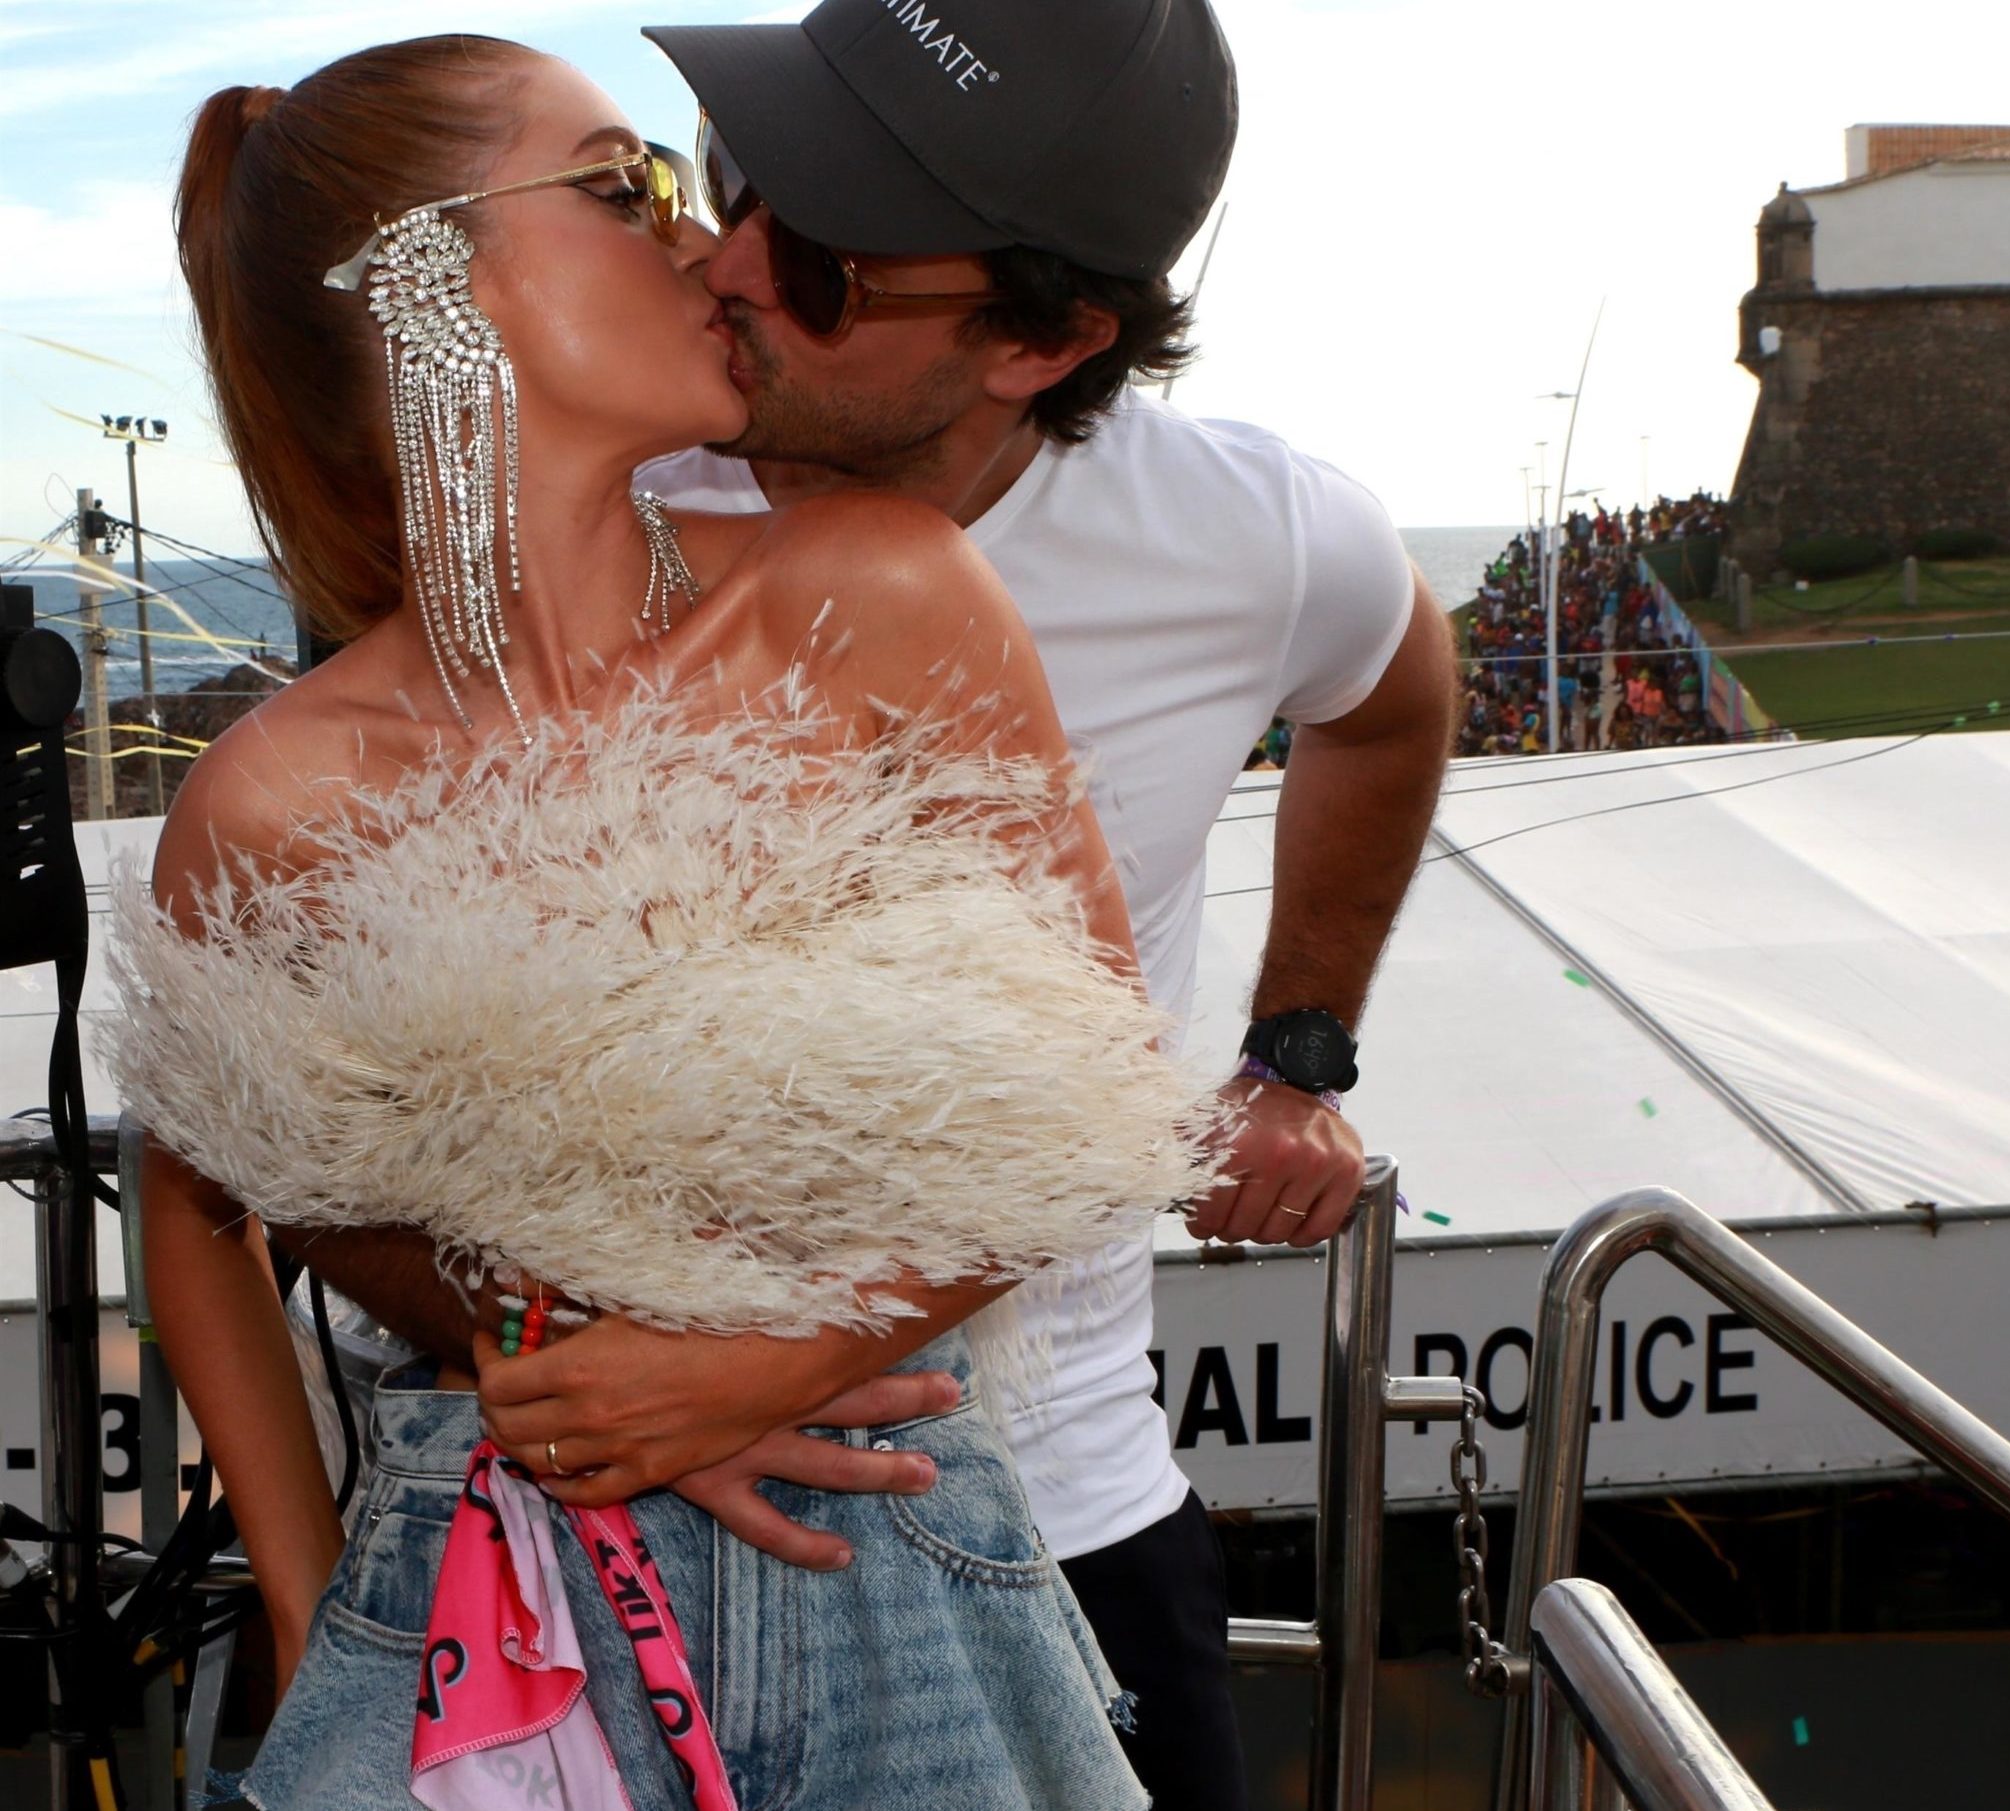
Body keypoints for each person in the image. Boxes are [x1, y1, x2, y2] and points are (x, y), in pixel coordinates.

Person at [264, 4, 1458, 1809]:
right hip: (572, 1549)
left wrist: (1295, 1049)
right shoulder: (572, 483)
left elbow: (1394, 688)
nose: (724, 259)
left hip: (1046, 1498)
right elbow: (291, 1129)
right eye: (741, 176)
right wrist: (608, 1368)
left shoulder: (1253, 537)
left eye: (821, 258)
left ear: (1041, 337)